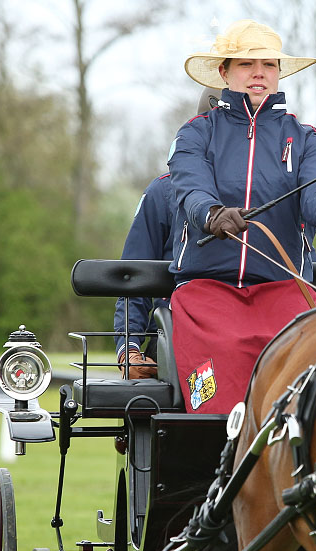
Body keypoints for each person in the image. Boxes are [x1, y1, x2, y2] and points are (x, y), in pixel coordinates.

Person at [167, 19, 316, 413]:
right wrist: (212, 214)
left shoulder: (306, 138)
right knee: (227, 356)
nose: (259, 74)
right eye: (247, 65)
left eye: (268, 65)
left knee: (303, 358)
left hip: (283, 288)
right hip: (207, 290)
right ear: (225, 72)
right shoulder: (195, 134)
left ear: (278, 73)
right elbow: (190, 185)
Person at [114, 87, 223, 379]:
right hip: (176, 336)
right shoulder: (163, 192)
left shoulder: (278, 194)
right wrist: (129, 348)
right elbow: (133, 276)